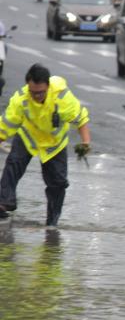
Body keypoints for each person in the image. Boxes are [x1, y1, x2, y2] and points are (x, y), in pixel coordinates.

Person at [0, 64, 91, 228]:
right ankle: (4, 202)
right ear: (28, 86)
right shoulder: (21, 99)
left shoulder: (62, 97)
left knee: (58, 183)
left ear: (48, 87)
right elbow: (5, 127)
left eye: (41, 92)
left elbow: (81, 119)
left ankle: (52, 223)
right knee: (13, 164)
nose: (37, 96)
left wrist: (85, 143)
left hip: (54, 144)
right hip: (28, 136)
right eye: (33, 92)